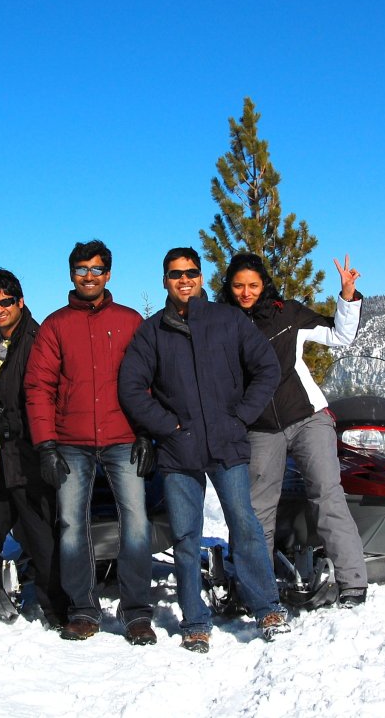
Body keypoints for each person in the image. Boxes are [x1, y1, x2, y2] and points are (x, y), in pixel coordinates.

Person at [118, 246, 290, 654]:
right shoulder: (152, 331)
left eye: (191, 272)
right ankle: (196, 620)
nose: (184, 280)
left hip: (227, 442)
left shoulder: (227, 319)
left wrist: (241, 415)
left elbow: (267, 367)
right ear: (165, 280)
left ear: (201, 277)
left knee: (244, 524)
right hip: (179, 450)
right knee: (185, 537)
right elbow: (131, 388)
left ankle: (265, 605)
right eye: (176, 274)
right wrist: (167, 426)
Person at [24, 240, 157, 646]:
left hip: (122, 439)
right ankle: (83, 609)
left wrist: (147, 431)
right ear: (71, 274)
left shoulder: (131, 321)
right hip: (71, 442)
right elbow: (38, 386)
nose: (89, 276)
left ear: (109, 274)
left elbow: (150, 380)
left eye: (97, 269)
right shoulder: (55, 325)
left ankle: (136, 613)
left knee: (136, 522)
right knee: (70, 526)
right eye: (82, 269)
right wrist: (46, 443)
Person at [219, 252, 369, 607]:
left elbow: (339, 336)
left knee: (326, 494)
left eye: (253, 285)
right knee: (257, 510)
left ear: (264, 283)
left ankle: (352, 583)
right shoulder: (222, 323)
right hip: (260, 428)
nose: (246, 292)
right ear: (228, 286)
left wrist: (347, 296)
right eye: (238, 285)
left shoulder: (288, 312)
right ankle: (254, 587)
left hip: (306, 416)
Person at [0, 269, 69, 625]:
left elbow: (44, 400)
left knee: (40, 536)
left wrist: (5, 423)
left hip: (28, 454)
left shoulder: (38, 339)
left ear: (20, 301)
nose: (0, 309)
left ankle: (58, 611)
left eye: (6, 302)